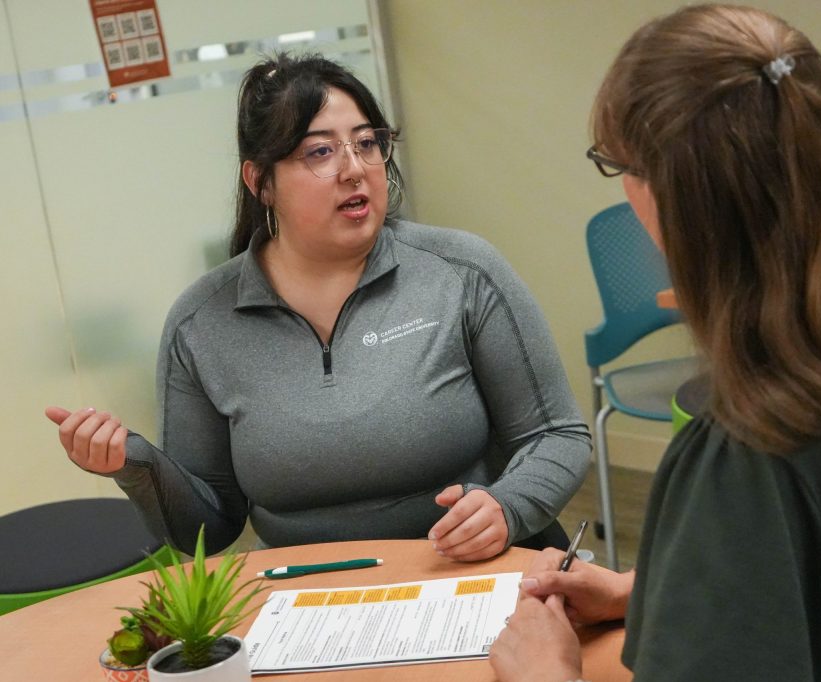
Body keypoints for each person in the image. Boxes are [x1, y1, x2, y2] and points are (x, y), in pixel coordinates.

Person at [490, 4, 821, 681]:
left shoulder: (748, 446)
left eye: (614, 164)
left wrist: (543, 672)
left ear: (674, 196)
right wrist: (653, 589)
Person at [45, 52, 591, 561]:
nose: (354, 169)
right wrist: (133, 465)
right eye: (320, 151)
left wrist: (507, 507)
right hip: (310, 601)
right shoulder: (200, 323)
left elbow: (557, 435)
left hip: (462, 570)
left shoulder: (463, 271)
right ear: (261, 181)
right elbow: (206, 530)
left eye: (366, 143)